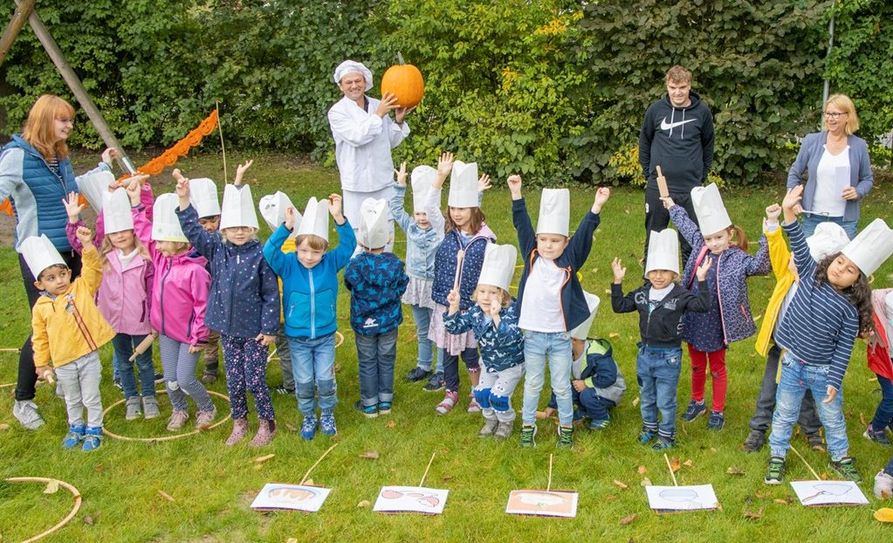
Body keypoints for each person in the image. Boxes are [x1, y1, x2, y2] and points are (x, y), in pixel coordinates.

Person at [0, 94, 118, 429]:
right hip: (39, 253)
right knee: (46, 322)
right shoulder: (16, 156)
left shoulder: (59, 155)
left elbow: (69, 190)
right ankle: (23, 400)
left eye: (71, 120)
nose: (69, 126)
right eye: (63, 120)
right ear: (44, 120)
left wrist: (102, 168)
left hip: (71, 247)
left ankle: (67, 382)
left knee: (77, 314)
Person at [764, 186, 890, 485]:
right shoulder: (810, 276)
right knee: (784, 412)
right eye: (839, 262)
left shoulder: (849, 310)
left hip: (823, 372)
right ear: (830, 260)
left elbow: (844, 348)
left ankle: (840, 457)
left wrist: (834, 379)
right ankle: (777, 456)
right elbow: (798, 241)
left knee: (832, 418)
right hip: (792, 363)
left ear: (858, 281)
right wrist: (788, 211)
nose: (840, 269)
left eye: (850, 270)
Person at [175, 166, 281, 447]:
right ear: (224, 229)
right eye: (234, 227)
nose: (239, 232)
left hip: (255, 332)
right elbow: (194, 231)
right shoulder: (217, 248)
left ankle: (267, 423)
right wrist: (184, 200)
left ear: (253, 229)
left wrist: (270, 329)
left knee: (254, 380)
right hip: (227, 329)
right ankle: (239, 422)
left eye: (244, 227)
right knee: (234, 381)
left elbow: (271, 294)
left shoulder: (261, 255)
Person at [509, 174, 610, 449]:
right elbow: (522, 225)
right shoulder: (532, 256)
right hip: (533, 336)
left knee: (562, 386)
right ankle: (528, 428)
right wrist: (517, 195)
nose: (548, 245)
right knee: (532, 384)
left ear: (565, 242)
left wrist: (596, 207)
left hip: (559, 338)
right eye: (544, 239)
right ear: (537, 240)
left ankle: (566, 428)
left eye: (555, 240)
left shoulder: (569, 261)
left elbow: (584, 236)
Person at [666, 184, 770, 431]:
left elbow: (761, 266)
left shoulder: (738, 258)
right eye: (708, 238)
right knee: (696, 364)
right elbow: (688, 226)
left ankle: (717, 409)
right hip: (694, 317)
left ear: (729, 234)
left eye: (718, 237)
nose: (713, 243)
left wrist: (768, 236)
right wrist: (672, 206)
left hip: (717, 323)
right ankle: (698, 401)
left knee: (717, 368)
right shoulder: (700, 248)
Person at [742, 214, 849, 453]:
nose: (792, 259)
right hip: (781, 348)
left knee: (807, 395)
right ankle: (758, 430)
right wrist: (772, 226)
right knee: (769, 391)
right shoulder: (787, 275)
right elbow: (777, 251)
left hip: (808, 357)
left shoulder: (823, 293)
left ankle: (812, 431)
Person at [64, 179, 159, 421]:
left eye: (124, 231)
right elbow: (82, 245)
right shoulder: (103, 257)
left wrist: (154, 319)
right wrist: (74, 221)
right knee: (124, 362)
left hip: (140, 321)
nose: (119, 236)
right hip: (113, 321)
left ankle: (149, 397)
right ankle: (131, 399)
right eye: (114, 232)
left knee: (144, 362)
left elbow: (151, 291)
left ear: (133, 231)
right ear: (108, 235)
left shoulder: (145, 258)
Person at [263, 195, 356, 440]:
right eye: (303, 250)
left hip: (325, 337)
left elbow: (349, 245)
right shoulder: (288, 265)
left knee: (325, 378)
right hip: (298, 338)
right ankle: (308, 415)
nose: (309, 257)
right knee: (303, 380)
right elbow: (269, 251)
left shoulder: (331, 263)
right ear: (296, 247)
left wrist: (339, 218)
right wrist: (286, 228)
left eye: (316, 251)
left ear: (325, 250)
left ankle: (327, 413)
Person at [611, 229, 711, 450]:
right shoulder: (642, 294)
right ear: (647, 273)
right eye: (654, 271)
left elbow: (703, 306)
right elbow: (619, 306)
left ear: (674, 274)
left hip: (669, 356)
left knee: (665, 400)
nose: (658, 276)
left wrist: (702, 280)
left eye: (664, 271)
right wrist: (617, 282)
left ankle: (667, 436)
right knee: (647, 395)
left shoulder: (680, 295)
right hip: (645, 354)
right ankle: (649, 427)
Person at [26, 229, 114, 450]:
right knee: (72, 398)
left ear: (69, 273)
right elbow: (40, 338)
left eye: (62, 274)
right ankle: (76, 426)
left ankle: (94, 428)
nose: (59, 281)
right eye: (51, 278)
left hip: (88, 357)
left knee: (91, 396)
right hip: (63, 362)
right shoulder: (40, 308)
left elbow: (93, 268)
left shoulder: (81, 289)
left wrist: (87, 245)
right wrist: (41, 364)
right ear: (39, 284)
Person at [137, 192, 216, 432]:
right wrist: (136, 204)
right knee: (171, 380)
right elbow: (143, 234)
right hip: (166, 333)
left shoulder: (196, 271)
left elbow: (203, 306)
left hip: (189, 336)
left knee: (185, 379)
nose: (157, 245)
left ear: (179, 241)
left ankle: (207, 407)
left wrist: (199, 337)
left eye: (162, 241)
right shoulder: (162, 260)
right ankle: (179, 409)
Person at [429, 160, 494, 415]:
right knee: (447, 351)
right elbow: (430, 208)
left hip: (469, 306)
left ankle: (477, 390)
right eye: (453, 208)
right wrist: (440, 178)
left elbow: (490, 273)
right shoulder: (446, 230)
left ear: (474, 208)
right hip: (446, 304)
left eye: (462, 208)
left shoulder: (486, 239)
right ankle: (451, 390)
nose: (457, 213)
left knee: (469, 352)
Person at [327, 60, 411, 253]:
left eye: (358, 81)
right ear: (341, 86)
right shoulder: (337, 112)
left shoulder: (377, 104)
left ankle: (386, 268)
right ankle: (358, 271)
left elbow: (389, 141)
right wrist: (378, 115)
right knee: (359, 236)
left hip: (383, 180)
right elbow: (357, 137)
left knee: (385, 232)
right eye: (348, 82)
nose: (354, 85)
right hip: (356, 183)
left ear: (365, 82)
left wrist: (398, 121)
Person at [444, 244, 524, 439]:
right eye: (482, 292)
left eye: (493, 292)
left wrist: (496, 317)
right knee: (481, 394)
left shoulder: (511, 312)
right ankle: (490, 419)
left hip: (510, 365)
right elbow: (454, 327)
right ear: (476, 294)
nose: (486, 298)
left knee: (498, 396)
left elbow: (509, 338)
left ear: (503, 294)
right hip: (488, 363)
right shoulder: (476, 312)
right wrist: (453, 307)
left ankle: (505, 421)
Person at [639, 65, 715, 265]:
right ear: (667, 86)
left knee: (691, 240)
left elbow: (708, 145)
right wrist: (649, 174)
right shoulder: (656, 110)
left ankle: (691, 282)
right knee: (655, 237)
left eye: (682, 87)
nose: (677, 92)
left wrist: (700, 175)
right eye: (673, 87)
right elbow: (645, 142)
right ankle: (651, 280)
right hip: (659, 187)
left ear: (689, 85)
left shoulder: (702, 112)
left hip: (690, 187)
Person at [345, 198, 409, 418]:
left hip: (364, 322)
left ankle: (369, 404)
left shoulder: (356, 265)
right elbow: (402, 285)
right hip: (389, 321)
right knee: (386, 358)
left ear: (361, 239)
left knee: (367, 361)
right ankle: (385, 401)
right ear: (388, 237)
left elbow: (349, 283)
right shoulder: (394, 263)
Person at [389, 156, 448, 390]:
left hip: (435, 286)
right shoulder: (410, 226)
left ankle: (442, 370)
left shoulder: (441, 230)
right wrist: (400, 185)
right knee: (422, 329)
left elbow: (463, 218)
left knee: (439, 329)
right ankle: (424, 365)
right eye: (418, 213)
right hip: (415, 284)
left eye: (426, 214)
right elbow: (396, 210)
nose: (422, 218)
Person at [786, 94, 873, 239]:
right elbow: (795, 173)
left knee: (842, 255)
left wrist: (858, 191)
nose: (830, 118)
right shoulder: (811, 141)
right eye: (827, 113)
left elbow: (867, 179)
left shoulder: (859, 145)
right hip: (813, 218)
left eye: (835, 114)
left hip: (845, 221)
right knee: (807, 254)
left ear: (848, 116)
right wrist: (793, 200)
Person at [543, 294, 626, 430]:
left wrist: (586, 383)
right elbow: (561, 380)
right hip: (588, 386)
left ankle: (601, 417)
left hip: (610, 388)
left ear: (574, 340)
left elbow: (609, 376)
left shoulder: (596, 354)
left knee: (587, 395)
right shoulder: (567, 354)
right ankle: (585, 410)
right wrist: (552, 405)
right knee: (569, 389)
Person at [186, 175, 224, 385]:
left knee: (219, 329)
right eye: (203, 222)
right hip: (200, 291)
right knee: (207, 328)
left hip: (220, 290)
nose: (209, 226)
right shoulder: (191, 244)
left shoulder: (223, 238)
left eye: (213, 220)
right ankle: (209, 363)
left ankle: (217, 362)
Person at [865, 289, 893, 446]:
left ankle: (889, 419)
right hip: (883, 357)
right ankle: (875, 429)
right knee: (891, 396)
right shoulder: (889, 302)